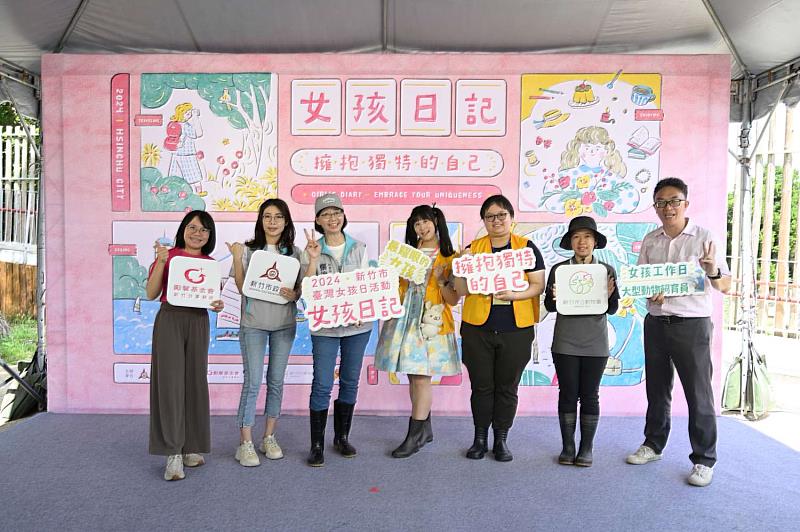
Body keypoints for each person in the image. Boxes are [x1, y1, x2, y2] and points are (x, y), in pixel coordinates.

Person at [625, 177, 731, 487]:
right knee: (657, 390)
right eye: (661, 202)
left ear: (685, 203)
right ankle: (653, 444)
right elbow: (643, 282)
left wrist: (711, 269)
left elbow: (724, 284)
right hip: (656, 322)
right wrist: (650, 293)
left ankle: (704, 459)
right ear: (655, 206)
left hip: (691, 324)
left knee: (698, 394)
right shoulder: (651, 239)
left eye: (674, 201)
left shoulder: (703, 237)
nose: (668, 207)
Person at [454, 194, 545, 461]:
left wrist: (514, 295)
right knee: (481, 386)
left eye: (501, 215)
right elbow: (459, 291)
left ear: (511, 219)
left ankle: (501, 439)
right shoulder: (473, 249)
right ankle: (479, 438)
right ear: (483, 220)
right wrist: (460, 266)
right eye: (490, 216)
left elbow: (537, 285)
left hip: (516, 328)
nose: (496, 221)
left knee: (507, 387)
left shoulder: (526, 248)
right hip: (477, 328)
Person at [374, 205, 461, 458]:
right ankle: (425, 428)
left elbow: (453, 299)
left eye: (425, 222)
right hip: (406, 319)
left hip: (432, 322)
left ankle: (415, 435)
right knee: (414, 375)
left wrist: (442, 279)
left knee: (422, 376)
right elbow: (393, 287)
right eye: (416, 224)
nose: (421, 228)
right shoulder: (406, 254)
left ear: (437, 223)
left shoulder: (450, 257)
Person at [146, 210, 224, 481]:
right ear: (183, 229)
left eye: (204, 230)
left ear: (209, 235)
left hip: (198, 321)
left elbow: (213, 299)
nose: (197, 233)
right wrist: (159, 262)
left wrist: (218, 304)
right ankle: (172, 452)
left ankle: (191, 446)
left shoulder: (210, 264)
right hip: (170, 318)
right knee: (170, 385)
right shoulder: (170, 256)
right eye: (192, 227)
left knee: (195, 383)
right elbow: (151, 292)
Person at [227, 199, 303, 467]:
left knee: (276, 382)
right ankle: (245, 442)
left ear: (286, 221)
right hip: (253, 324)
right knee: (253, 383)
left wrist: (295, 293)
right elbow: (241, 287)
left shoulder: (295, 253)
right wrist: (237, 258)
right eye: (267, 216)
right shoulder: (247, 250)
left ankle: (268, 437)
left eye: (278, 217)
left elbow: (302, 288)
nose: (272, 222)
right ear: (260, 220)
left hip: (284, 325)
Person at [302, 193, 372, 467]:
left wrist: (362, 310)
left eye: (336, 213)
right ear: (318, 220)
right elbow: (305, 290)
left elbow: (367, 284)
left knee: (350, 380)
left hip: (358, 326)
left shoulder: (360, 247)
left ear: (343, 215)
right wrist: (311, 259)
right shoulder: (311, 248)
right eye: (325, 214)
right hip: (326, 326)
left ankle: (341, 437)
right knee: (321, 382)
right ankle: (316, 444)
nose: (332, 218)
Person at [543, 216, 619, 467]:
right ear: (570, 242)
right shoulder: (560, 270)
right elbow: (549, 306)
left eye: (587, 236)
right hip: (565, 341)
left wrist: (609, 296)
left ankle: (586, 448)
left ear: (595, 242)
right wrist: (554, 297)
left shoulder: (606, 271)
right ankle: (568, 447)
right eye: (576, 237)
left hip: (596, 343)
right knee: (567, 393)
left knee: (590, 395)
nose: (582, 242)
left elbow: (613, 309)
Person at [542, 125, 639, 216]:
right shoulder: (567, 175)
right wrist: (579, 201)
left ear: (606, 151)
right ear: (578, 150)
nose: (592, 152)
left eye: (598, 148)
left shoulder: (611, 177)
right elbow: (549, 200)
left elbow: (631, 200)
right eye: (587, 148)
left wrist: (604, 202)